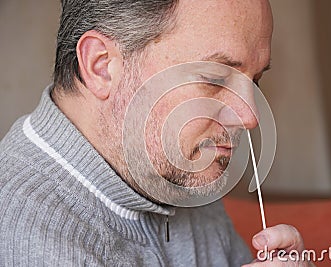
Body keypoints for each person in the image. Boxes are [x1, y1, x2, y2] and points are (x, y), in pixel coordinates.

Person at [0, 0, 314, 266]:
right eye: (216, 77)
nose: (249, 117)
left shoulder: (179, 169)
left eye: (254, 81)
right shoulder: (25, 233)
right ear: (101, 66)